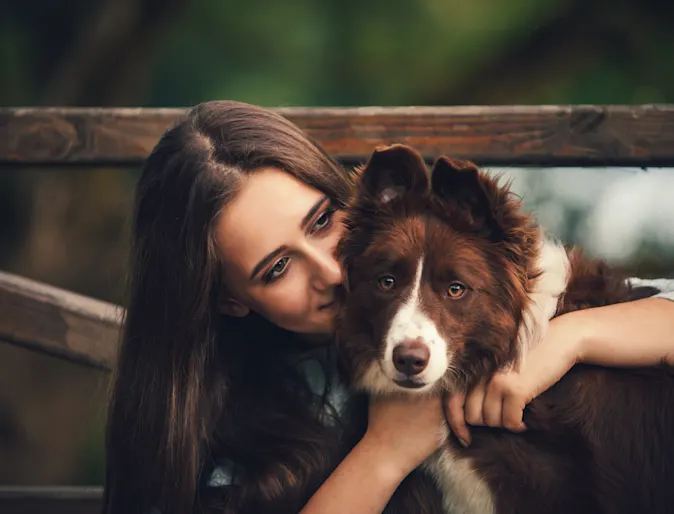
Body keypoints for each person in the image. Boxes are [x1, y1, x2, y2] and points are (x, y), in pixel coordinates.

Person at [102, 100, 674, 514]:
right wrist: (384, 452)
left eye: (322, 222)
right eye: (277, 268)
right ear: (228, 298)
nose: (331, 271)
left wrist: (570, 339)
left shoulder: (428, 255)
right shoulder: (222, 423)